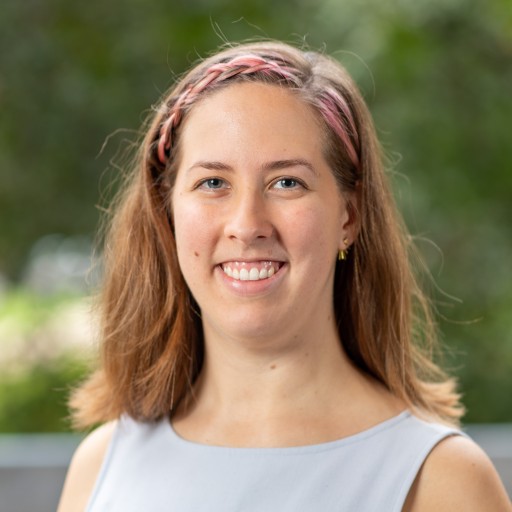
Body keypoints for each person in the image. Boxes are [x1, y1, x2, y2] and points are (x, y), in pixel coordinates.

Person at [57, 40, 511, 511]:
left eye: (286, 183)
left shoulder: (443, 481)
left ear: (349, 217)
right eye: (213, 183)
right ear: (166, 213)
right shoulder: (101, 467)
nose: (247, 225)